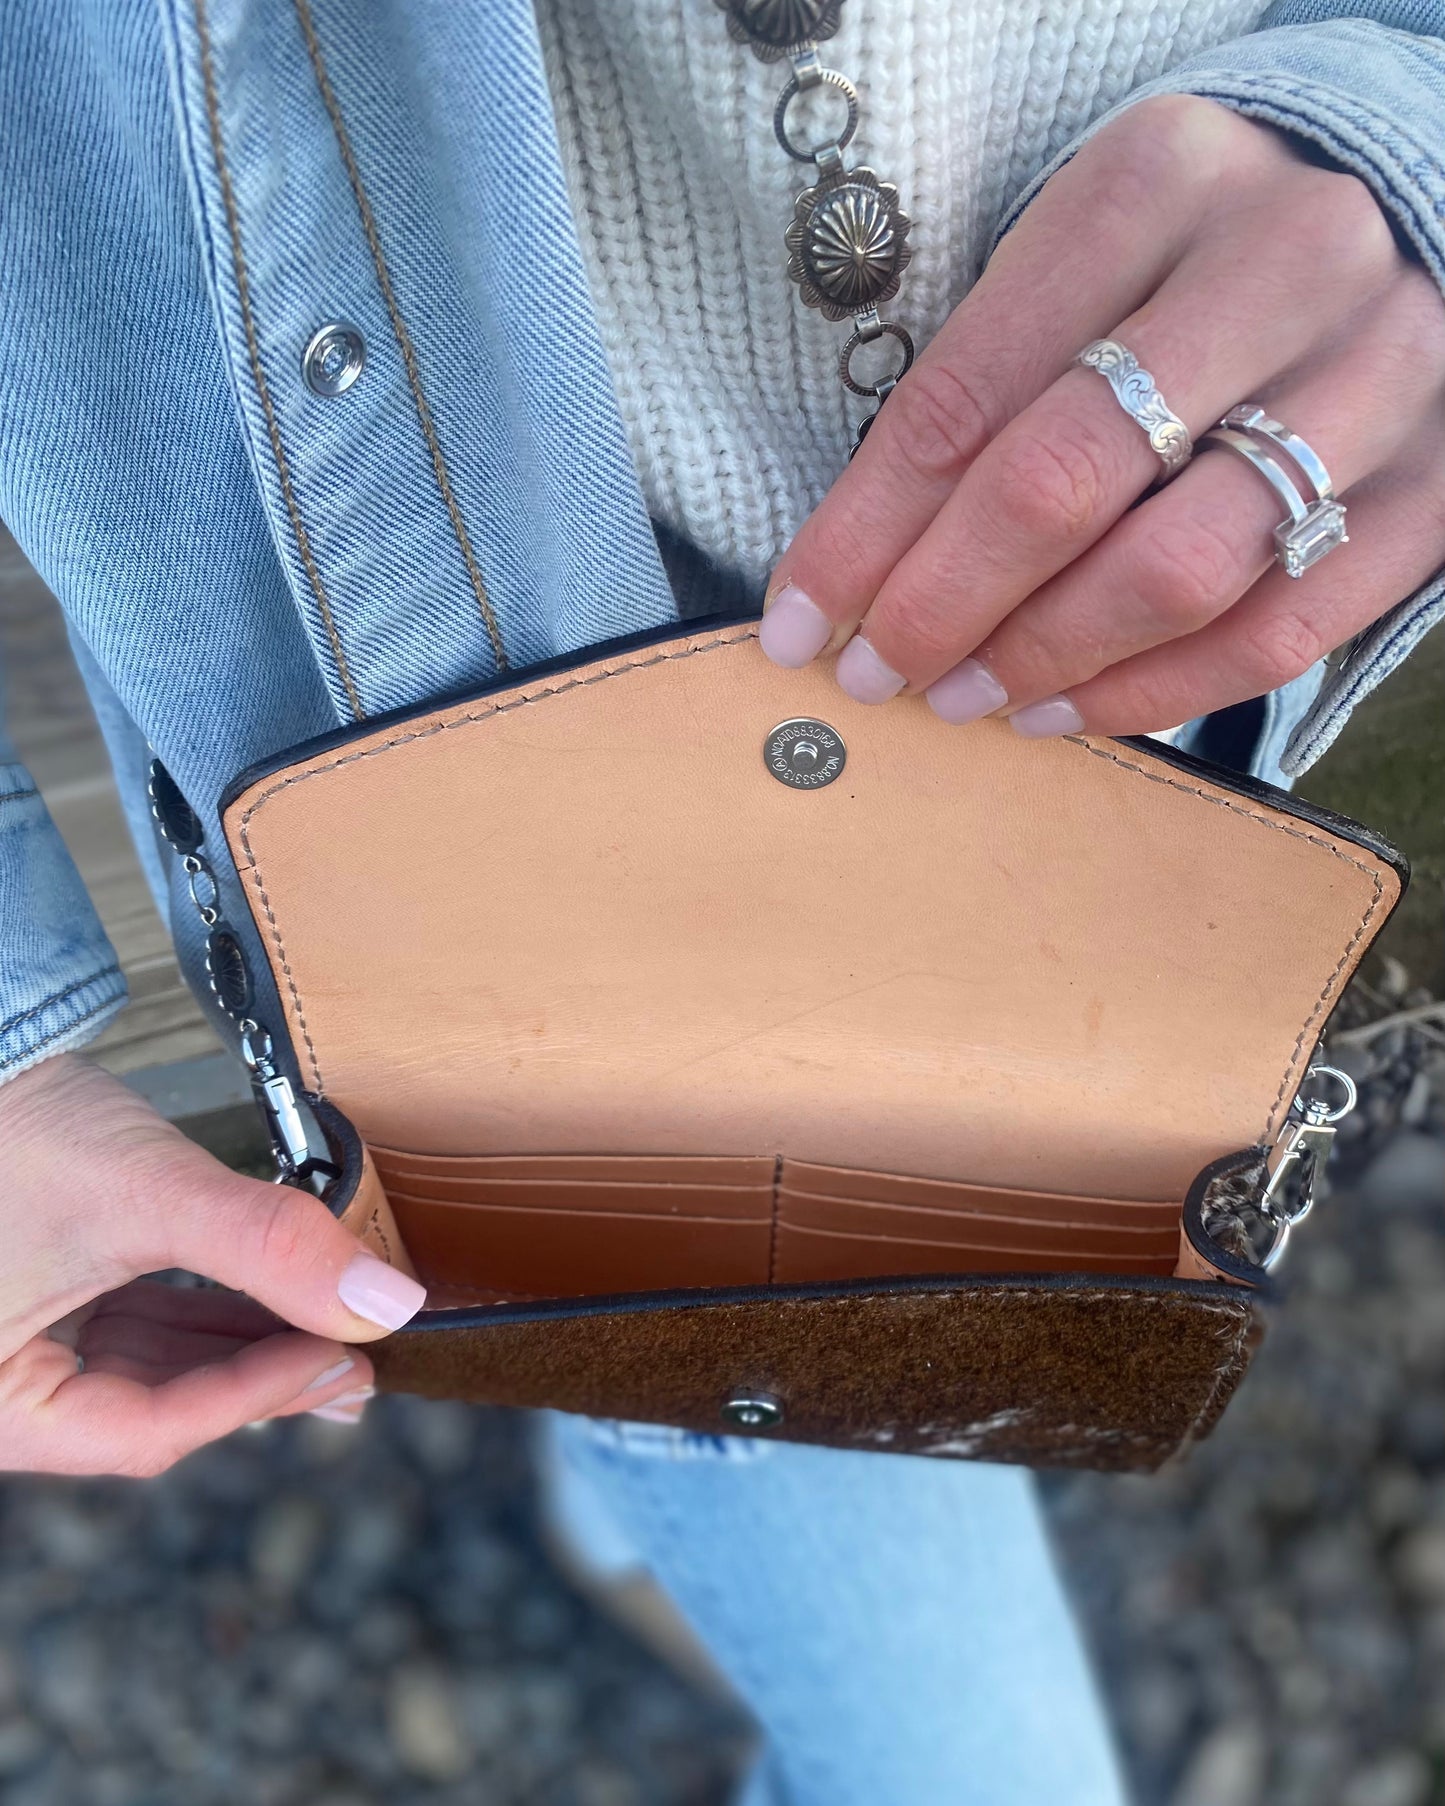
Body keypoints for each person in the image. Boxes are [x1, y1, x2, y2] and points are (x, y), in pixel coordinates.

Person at [3, 2, 1444, 1799]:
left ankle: (628, 1443)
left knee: (756, 1343)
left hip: (1165, 680)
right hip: (514, 962)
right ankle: (636, 1426)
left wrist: (1407, 139)